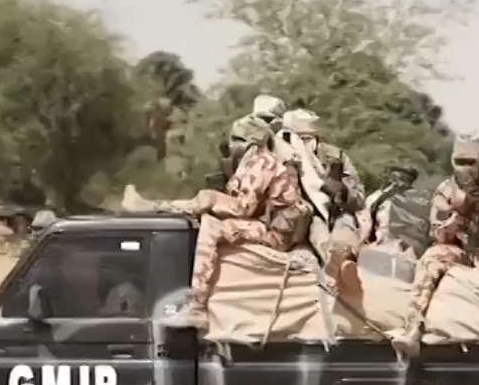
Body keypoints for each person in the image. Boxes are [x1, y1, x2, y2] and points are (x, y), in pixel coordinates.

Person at [124, 113, 310, 328]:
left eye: (236, 140)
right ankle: (153, 207)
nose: (231, 145)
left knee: (210, 220)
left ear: (249, 142)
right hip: (267, 225)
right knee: (207, 206)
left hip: (276, 234)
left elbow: (243, 207)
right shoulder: (252, 163)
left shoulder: (263, 163)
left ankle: (197, 306)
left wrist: (212, 201)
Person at [392, 135, 479, 368]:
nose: (465, 168)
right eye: (460, 162)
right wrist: (457, 216)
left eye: (470, 162)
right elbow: (438, 234)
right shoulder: (445, 190)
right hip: (453, 246)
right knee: (429, 263)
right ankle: (412, 330)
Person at [281, 108, 364, 285]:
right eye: (300, 138)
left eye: (308, 138)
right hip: (302, 216)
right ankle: (332, 263)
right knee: (316, 227)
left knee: (346, 225)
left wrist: (342, 191)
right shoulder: (283, 155)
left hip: (338, 213)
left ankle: (344, 265)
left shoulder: (335, 156)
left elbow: (358, 198)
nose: (304, 143)